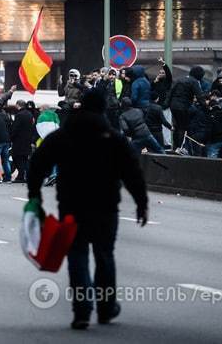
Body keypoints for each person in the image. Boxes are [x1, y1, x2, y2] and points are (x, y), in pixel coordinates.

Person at [28, 88, 148, 330]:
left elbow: (38, 164)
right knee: (105, 256)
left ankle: (82, 311)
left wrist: (35, 194)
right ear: (103, 108)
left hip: (72, 205)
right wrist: (141, 203)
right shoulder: (112, 137)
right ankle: (106, 308)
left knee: (77, 255)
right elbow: (132, 172)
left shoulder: (63, 136)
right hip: (105, 206)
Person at [164, 66, 206, 151]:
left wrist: (166, 104)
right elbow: (199, 96)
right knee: (182, 127)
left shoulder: (180, 79)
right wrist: (205, 106)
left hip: (173, 106)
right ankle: (180, 147)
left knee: (176, 126)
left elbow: (171, 92)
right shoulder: (194, 82)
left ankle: (175, 146)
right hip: (183, 106)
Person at [10, 100, 34, 183]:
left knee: (16, 157)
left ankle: (21, 176)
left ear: (18, 105)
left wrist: (11, 137)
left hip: (19, 141)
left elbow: (15, 128)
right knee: (24, 158)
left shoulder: (19, 115)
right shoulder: (29, 114)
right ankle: (24, 176)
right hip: (27, 140)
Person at [206, 94, 222, 159]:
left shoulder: (211, 115)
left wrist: (208, 139)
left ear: (210, 106)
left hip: (215, 140)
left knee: (212, 161)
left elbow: (210, 128)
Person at [0, 106, 13, 183]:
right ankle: (8, 178)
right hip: (7, 140)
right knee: (6, 160)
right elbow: (10, 128)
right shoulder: (5, 116)